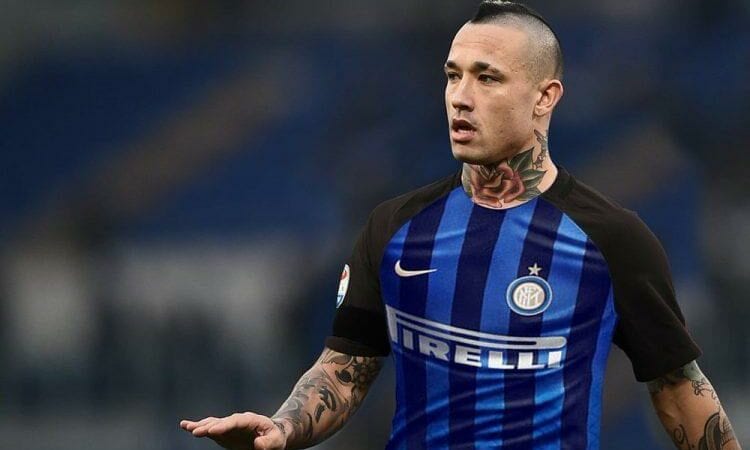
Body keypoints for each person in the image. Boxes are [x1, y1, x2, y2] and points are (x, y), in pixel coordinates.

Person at [180, 1, 741, 449]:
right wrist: (283, 427)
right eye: (454, 76)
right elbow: (345, 368)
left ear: (545, 98)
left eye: (487, 78)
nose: (461, 98)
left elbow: (678, 389)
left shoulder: (613, 240)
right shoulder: (393, 227)